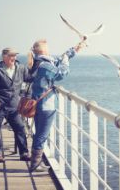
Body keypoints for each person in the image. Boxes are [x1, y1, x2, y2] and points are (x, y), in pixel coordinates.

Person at [28, 39, 83, 172]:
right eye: (48, 48)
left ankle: (35, 162)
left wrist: (74, 50)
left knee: (39, 133)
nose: (49, 50)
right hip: (46, 105)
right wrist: (65, 62)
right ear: (44, 50)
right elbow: (61, 73)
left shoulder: (39, 62)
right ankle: (35, 164)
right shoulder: (44, 66)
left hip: (39, 104)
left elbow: (57, 60)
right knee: (42, 134)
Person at [0, 48, 32, 162]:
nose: (13, 58)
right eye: (10, 55)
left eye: (14, 55)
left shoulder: (21, 68)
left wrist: (25, 94)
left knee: (20, 128)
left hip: (14, 106)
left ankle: (24, 152)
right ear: (4, 57)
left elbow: (30, 79)